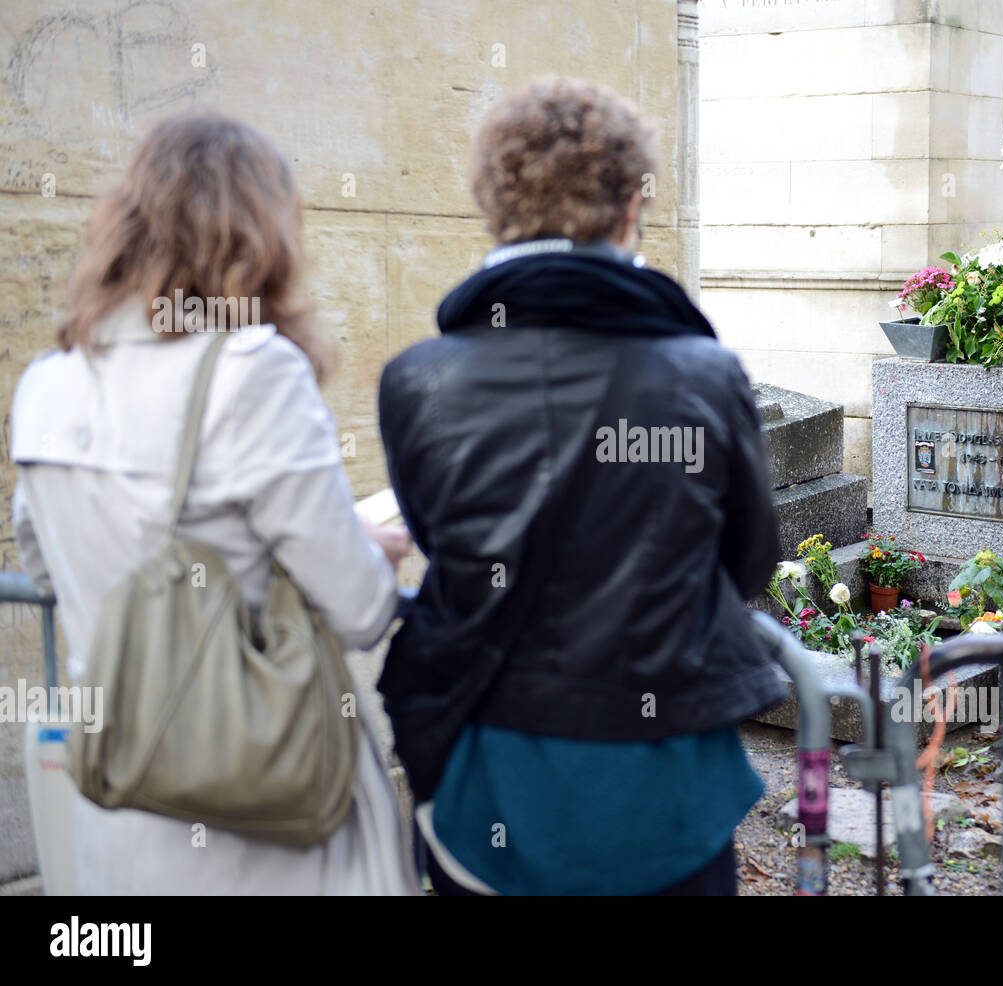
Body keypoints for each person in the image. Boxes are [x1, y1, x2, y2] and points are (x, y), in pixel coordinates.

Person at [377, 77, 786, 896]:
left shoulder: (417, 379)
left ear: (496, 207)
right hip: (665, 797)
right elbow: (748, 564)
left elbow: (444, 550)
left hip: (490, 788)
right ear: (631, 207)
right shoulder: (704, 375)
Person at [10, 113, 419, 895]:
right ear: (264, 231)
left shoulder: (46, 385)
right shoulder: (252, 370)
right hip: (264, 822)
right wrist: (369, 544)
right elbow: (362, 608)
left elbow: (51, 568)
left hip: (123, 819)